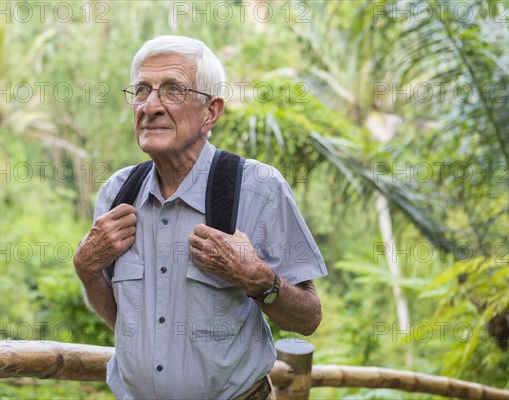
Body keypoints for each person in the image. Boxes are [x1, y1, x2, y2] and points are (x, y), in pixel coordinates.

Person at [73, 35, 327, 399]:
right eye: (142, 90)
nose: (151, 106)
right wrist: (87, 268)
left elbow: (309, 318)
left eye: (173, 90)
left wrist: (257, 278)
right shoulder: (117, 194)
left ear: (211, 112)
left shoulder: (258, 188)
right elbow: (122, 320)